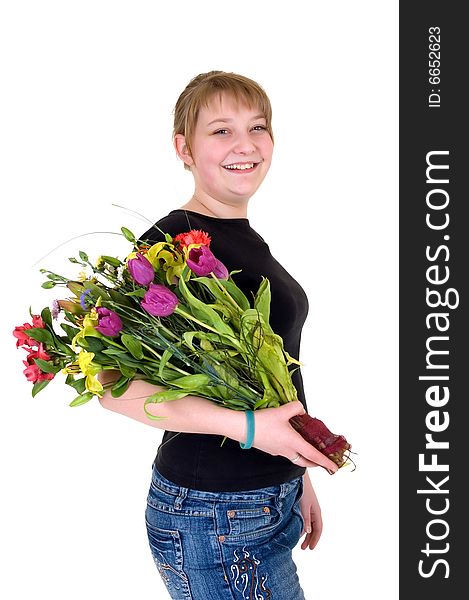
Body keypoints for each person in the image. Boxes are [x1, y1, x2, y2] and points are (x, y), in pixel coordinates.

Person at [98, 70, 338, 600]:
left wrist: (296, 476)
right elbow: (114, 387)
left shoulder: (239, 235)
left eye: (258, 127)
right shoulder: (170, 245)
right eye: (221, 131)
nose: (246, 145)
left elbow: (272, 371)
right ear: (183, 147)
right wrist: (251, 429)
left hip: (263, 496)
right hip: (213, 512)